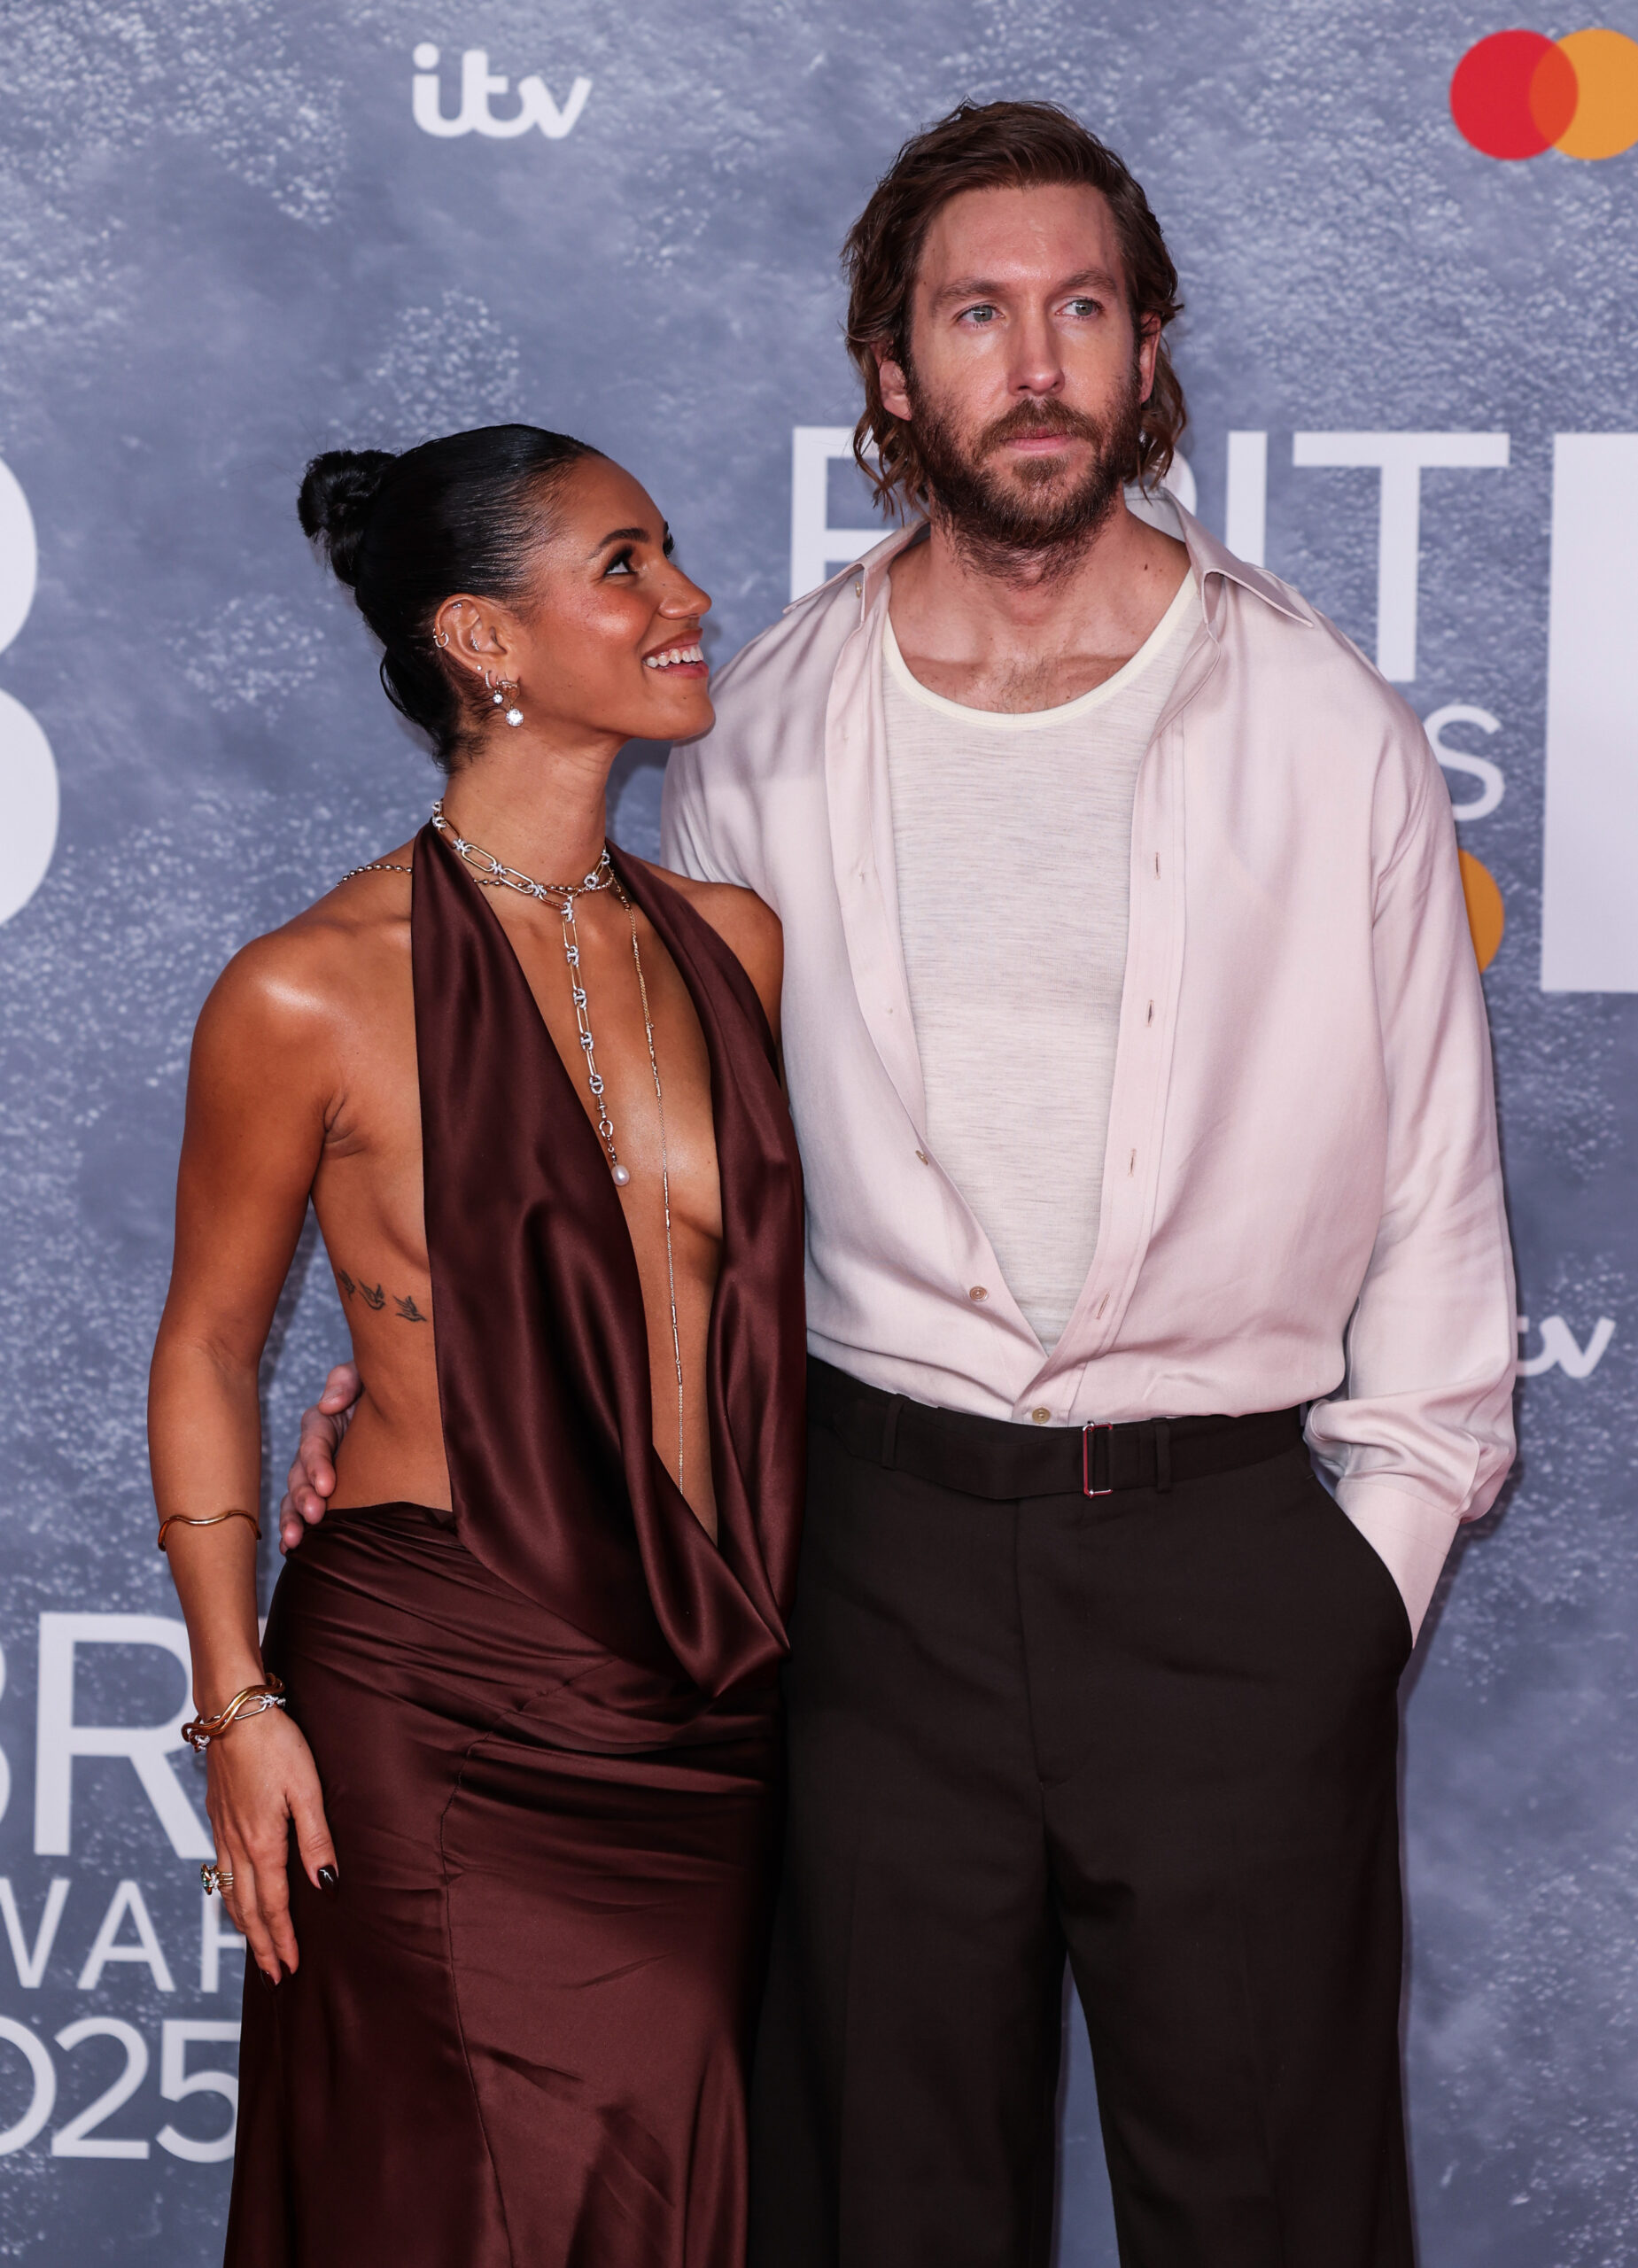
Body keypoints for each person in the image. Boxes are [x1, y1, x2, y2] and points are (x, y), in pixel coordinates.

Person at [286, 102, 1517, 2268]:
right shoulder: (751, 733)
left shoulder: (1331, 734)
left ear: (1147, 356)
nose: (1033, 362)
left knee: (1281, 2221)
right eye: (975, 313)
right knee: (877, 2219)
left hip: (1234, 1577)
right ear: (889, 368)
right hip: (863, 1581)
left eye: (1081, 309)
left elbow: (1434, 1203)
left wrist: (1356, 1590)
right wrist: (425, 1388)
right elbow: (644, 1172)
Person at [148, 423, 806, 2267]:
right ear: (482, 640)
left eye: (669, 555)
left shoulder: (735, 945)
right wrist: (237, 1702)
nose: (686, 600)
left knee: (651, 2195)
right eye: (624, 566)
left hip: (695, 1705)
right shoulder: (308, 987)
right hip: (434, 1691)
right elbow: (205, 1348)